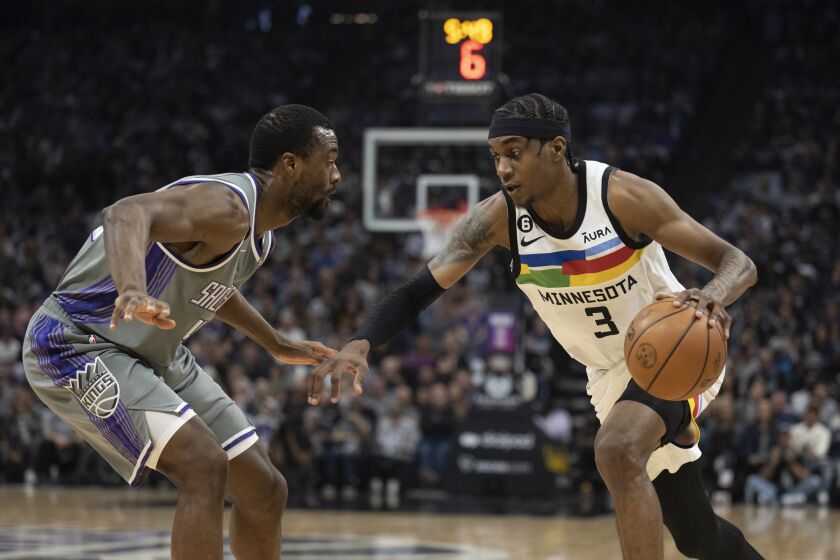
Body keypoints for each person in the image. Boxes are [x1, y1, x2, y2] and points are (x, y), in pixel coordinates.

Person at [309, 93, 763, 559]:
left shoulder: (622, 197)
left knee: (616, 449)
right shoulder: (498, 219)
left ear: (557, 149)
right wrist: (361, 342)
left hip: (675, 355)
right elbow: (416, 290)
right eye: (496, 157)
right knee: (697, 536)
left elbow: (737, 261)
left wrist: (713, 295)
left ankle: (675, 421)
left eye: (514, 152)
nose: (503, 169)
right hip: (607, 376)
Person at [21, 104, 342, 560]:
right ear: (290, 164)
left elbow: (214, 285)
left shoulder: (259, 233)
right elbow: (124, 213)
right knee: (203, 465)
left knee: (265, 489)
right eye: (329, 160)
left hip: (155, 353)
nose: (337, 175)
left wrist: (276, 343)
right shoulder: (227, 207)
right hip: (77, 340)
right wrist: (131, 289)